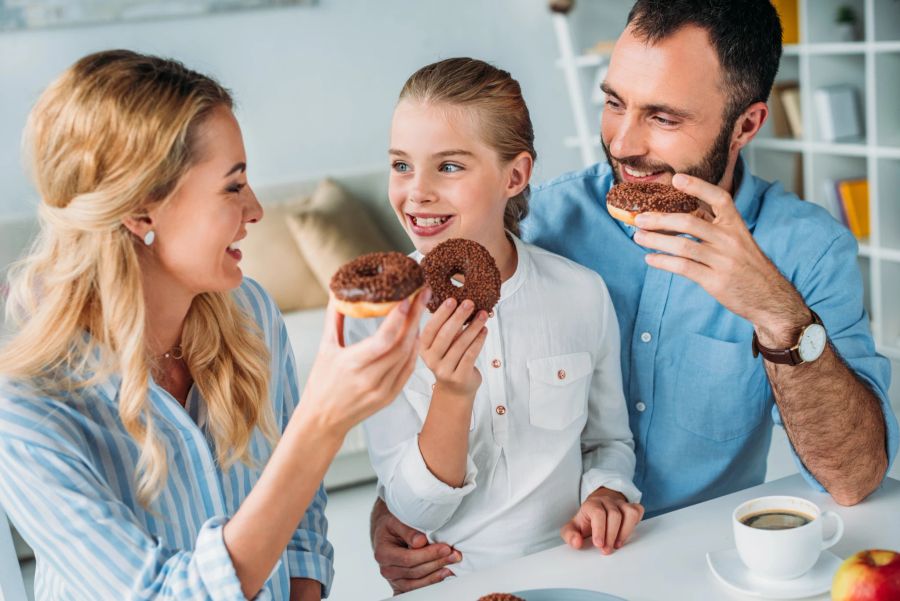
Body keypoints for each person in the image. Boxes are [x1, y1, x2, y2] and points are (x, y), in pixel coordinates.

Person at [370, 0, 899, 593]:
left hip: (705, 561)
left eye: (664, 118)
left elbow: (854, 480)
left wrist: (775, 311)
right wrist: (394, 508)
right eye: (614, 101)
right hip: (555, 568)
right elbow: (444, 409)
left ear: (746, 125)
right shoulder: (537, 226)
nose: (621, 142)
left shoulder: (806, 248)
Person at [0, 49, 427, 600]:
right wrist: (322, 423)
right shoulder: (25, 400)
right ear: (139, 210)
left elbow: (300, 528)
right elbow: (160, 594)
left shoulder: (250, 313)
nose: (255, 209)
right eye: (232, 186)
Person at [346, 57, 643, 579]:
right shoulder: (378, 320)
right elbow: (413, 511)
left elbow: (607, 441)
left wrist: (605, 491)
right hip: (452, 583)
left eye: (450, 166)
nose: (417, 191)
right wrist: (453, 393)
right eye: (401, 165)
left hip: (577, 570)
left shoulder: (581, 293)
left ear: (516, 175)